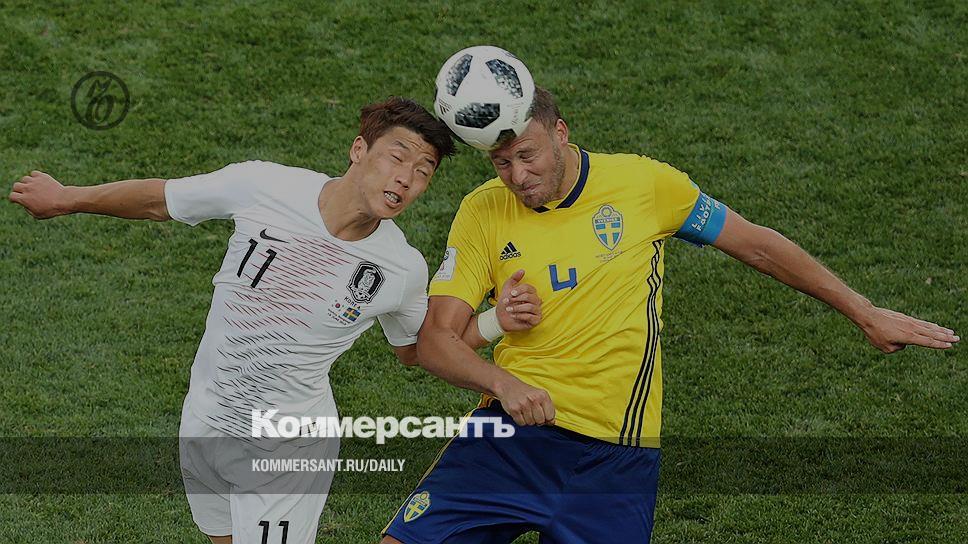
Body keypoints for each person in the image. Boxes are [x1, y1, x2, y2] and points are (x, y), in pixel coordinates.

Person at [381, 87, 959, 543]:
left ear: (560, 133)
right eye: (502, 163)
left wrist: (863, 311)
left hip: (615, 456)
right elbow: (434, 342)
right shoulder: (483, 210)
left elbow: (756, 245)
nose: (518, 176)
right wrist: (504, 382)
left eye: (527, 156)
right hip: (509, 436)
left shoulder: (644, 185)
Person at [9, 97, 543, 544]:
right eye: (396, 158)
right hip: (205, 421)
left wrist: (496, 321)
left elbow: (418, 348)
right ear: (359, 150)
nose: (405, 178)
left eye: (423, 172)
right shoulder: (263, 186)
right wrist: (66, 199)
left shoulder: (399, 267)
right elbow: (160, 200)